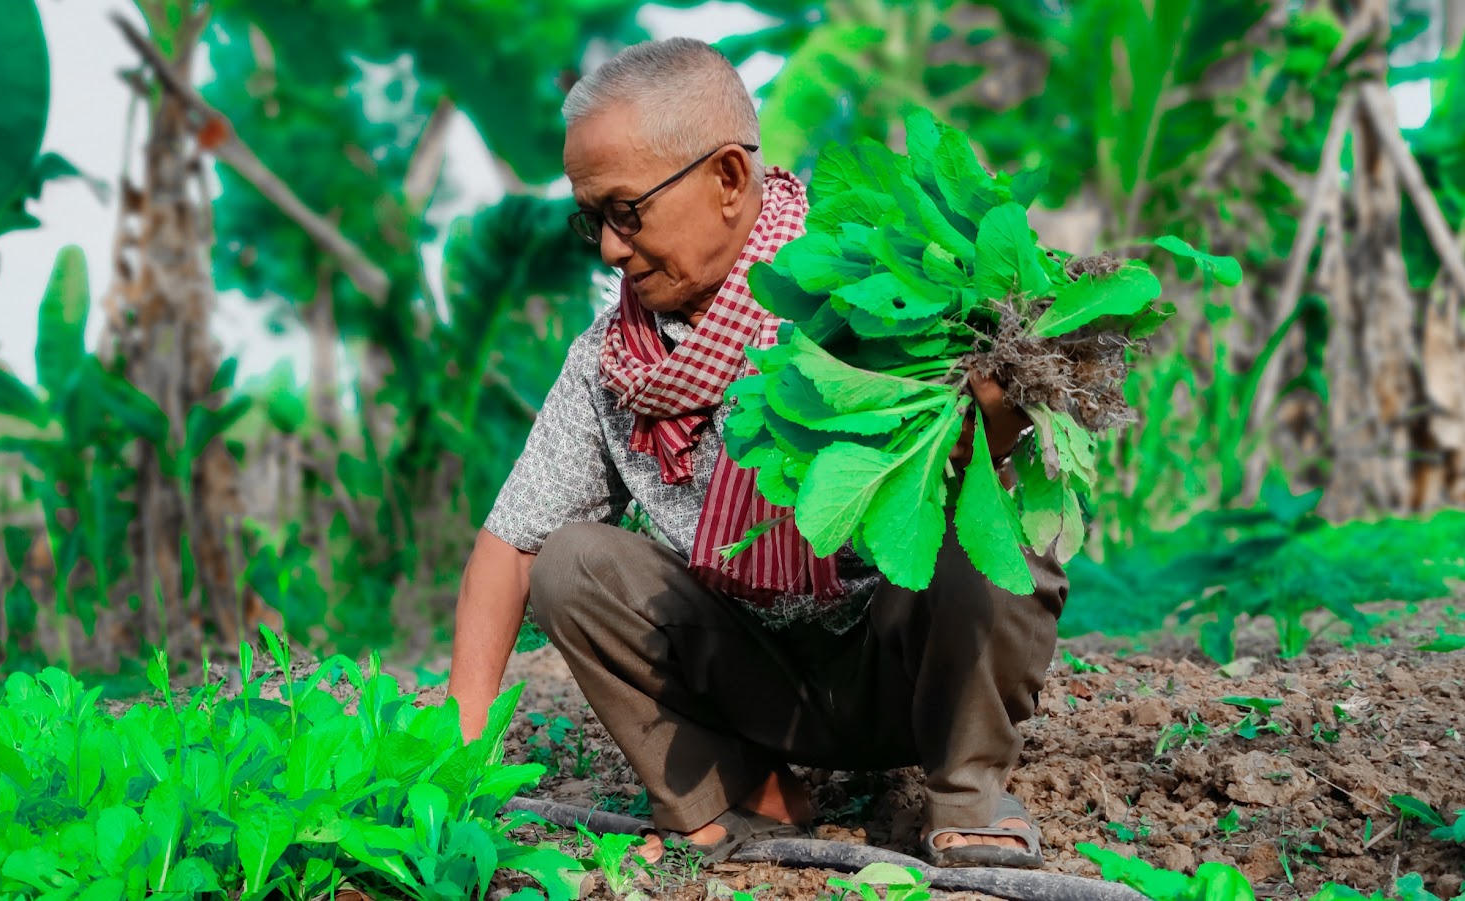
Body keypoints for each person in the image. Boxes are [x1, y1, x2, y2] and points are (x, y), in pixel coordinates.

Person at [444, 37, 1067, 870]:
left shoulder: (878, 292)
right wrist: (458, 757)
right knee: (570, 562)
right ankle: (745, 790)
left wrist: (997, 413)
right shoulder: (613, 361)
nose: (609, 249)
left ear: (730, 179)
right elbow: (511, 546)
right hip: (760, 684)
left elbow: (990, 483)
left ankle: (970, 791)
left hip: (911, 665)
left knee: (994, 519)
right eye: (592, 219)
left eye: (627, 212)